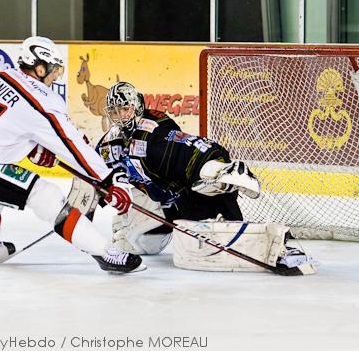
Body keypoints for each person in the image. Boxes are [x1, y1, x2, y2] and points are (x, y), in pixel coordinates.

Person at [0, 36, 143, 273]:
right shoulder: (40, 99)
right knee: (45, 195)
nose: (56, 76)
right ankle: (105, 253)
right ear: (40, 68)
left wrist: (31, 147)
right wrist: (108, 178)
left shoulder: (2, 76)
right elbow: (72, 145)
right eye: (53, 70)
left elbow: (2, 126)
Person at [95, 82, 315, 273]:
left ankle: (277, 244)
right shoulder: (110, 143)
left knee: (219, 228)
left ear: (137, 107)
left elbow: (189, 146)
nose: (121, 117)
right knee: (136, 245)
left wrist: (216, 168)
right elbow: (90, 170)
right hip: (160, 202)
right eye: (114, 112)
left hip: (188, 195)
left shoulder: (153, 133)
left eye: (125, 109)